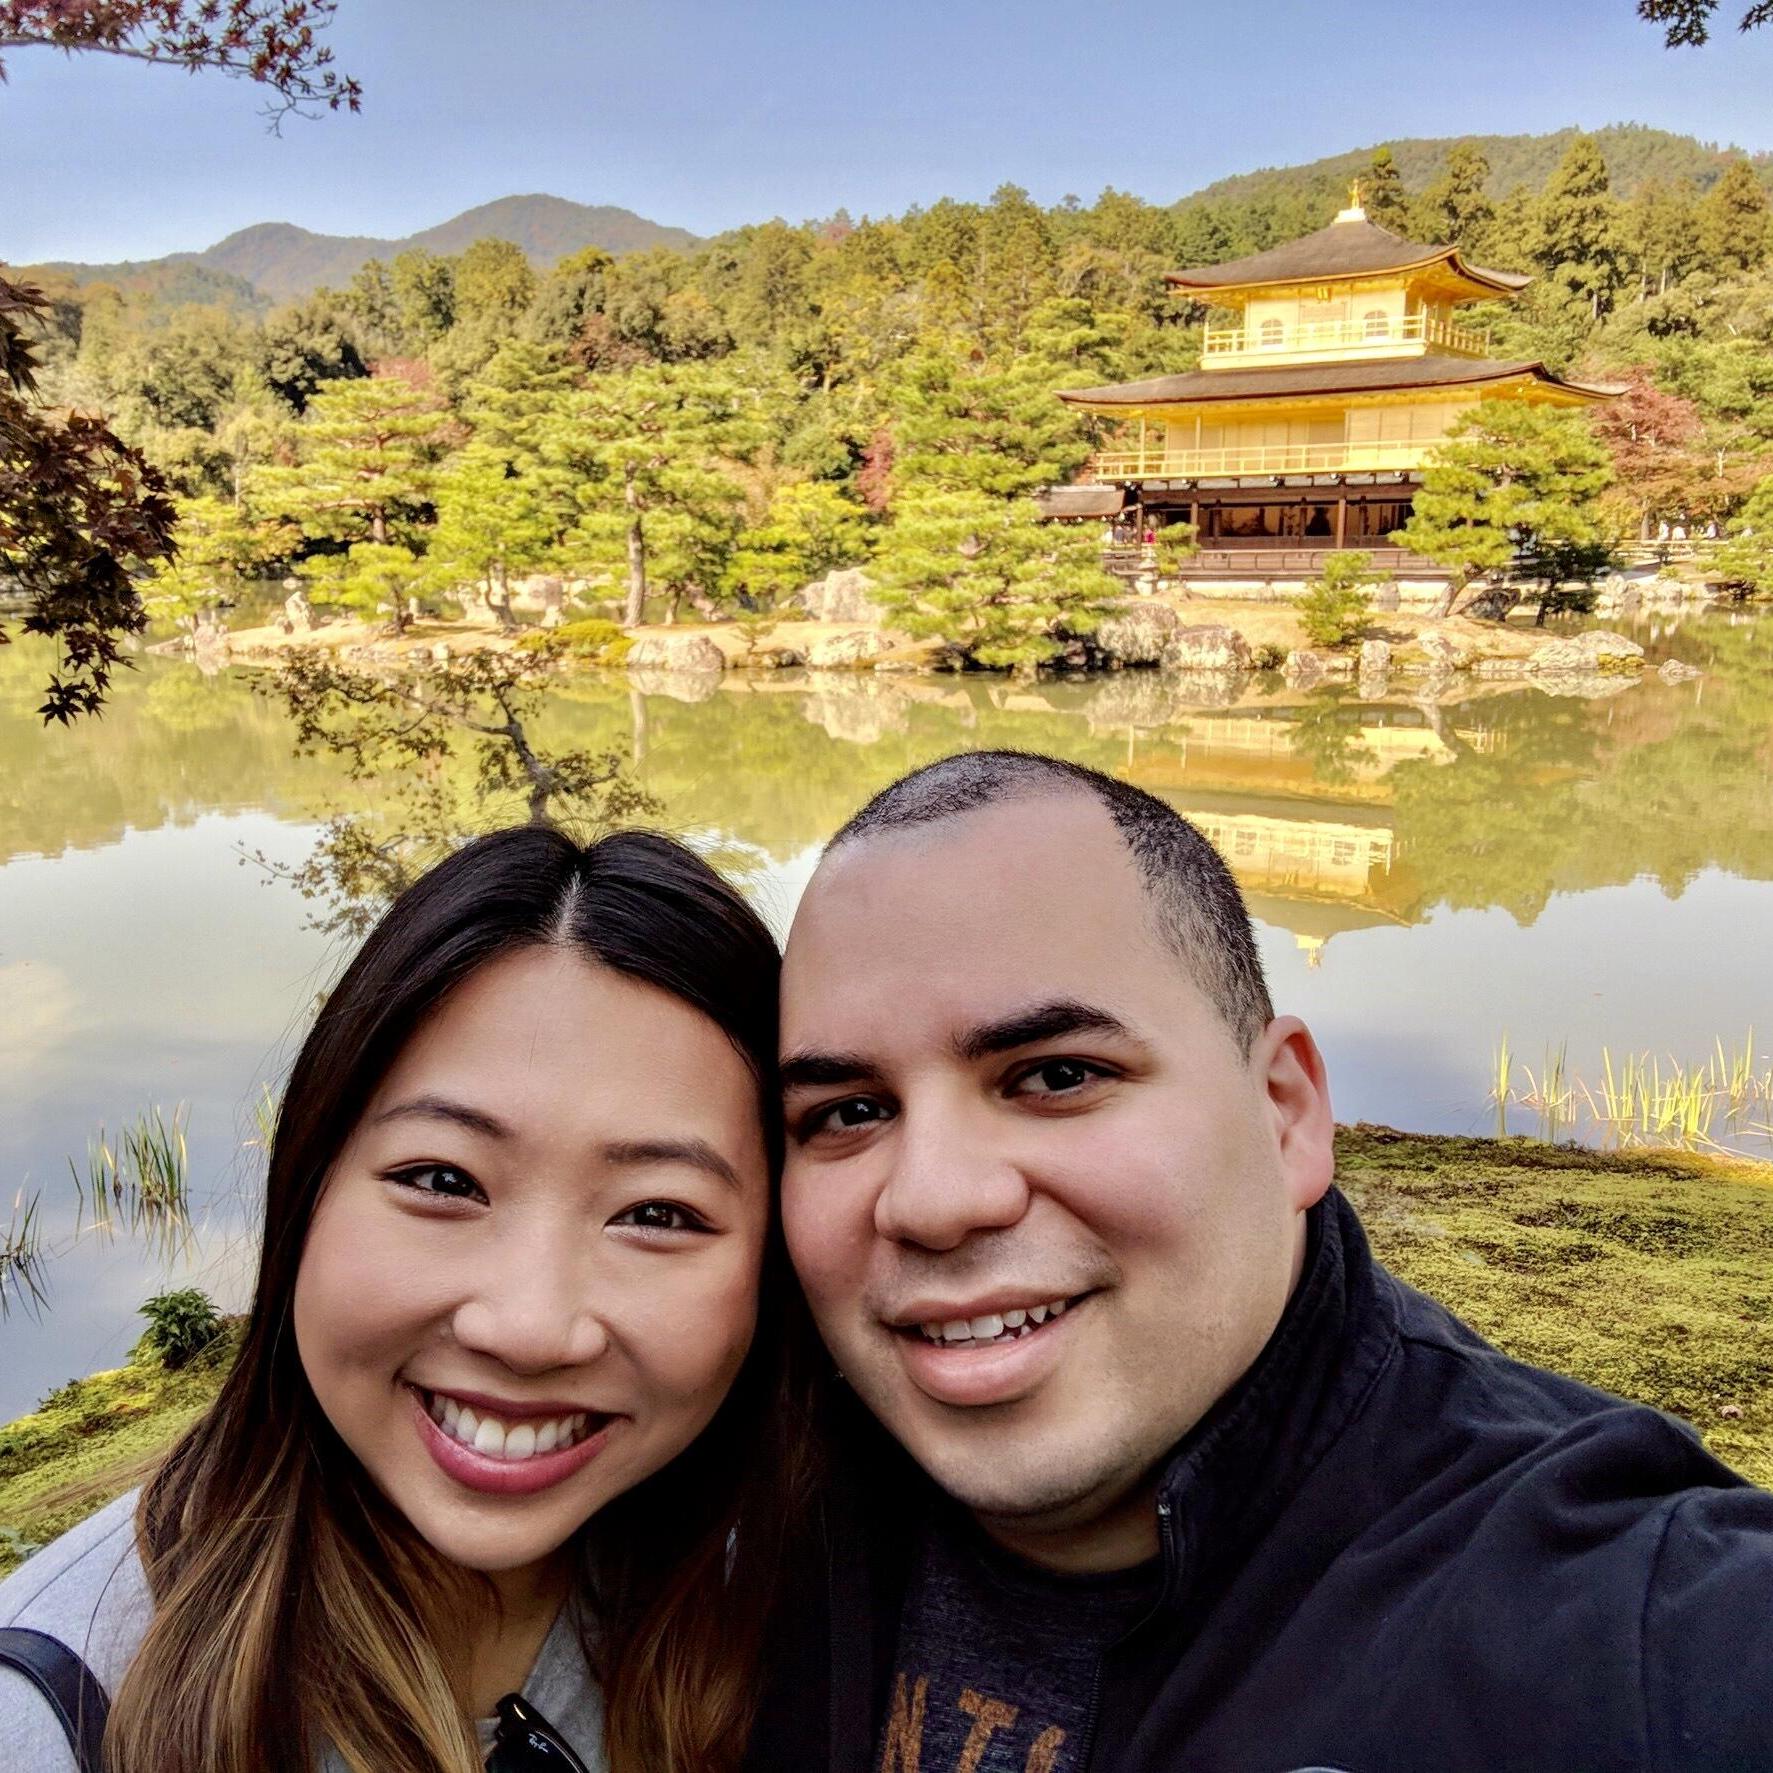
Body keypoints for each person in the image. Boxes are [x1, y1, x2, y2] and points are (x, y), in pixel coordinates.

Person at [750, 749, 1773, 1773]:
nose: (933, 1201)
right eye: (849, 1113)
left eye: (1058, 1075)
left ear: (1286, 1112)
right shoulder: (729, 1499)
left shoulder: (1625, 1619)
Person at [0, 826, 812, 1773]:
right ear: (310, 1186)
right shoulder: (54, 1714)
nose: (529, 1327)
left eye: (658, 1212)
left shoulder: (803, 1595)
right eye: (443, 1179)